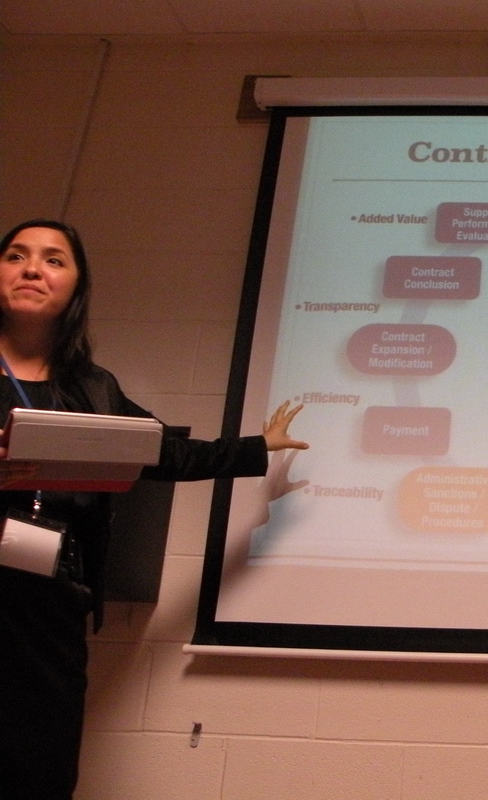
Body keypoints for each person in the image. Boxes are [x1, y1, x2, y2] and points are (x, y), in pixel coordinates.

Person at [0, 218, 308, 799]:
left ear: (76, 286)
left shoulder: (93, 388)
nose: (33, 269)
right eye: (16, 256)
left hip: (50, 604)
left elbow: (164, 452)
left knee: (41, 766)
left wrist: (256, 448)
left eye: (54, 260)